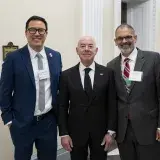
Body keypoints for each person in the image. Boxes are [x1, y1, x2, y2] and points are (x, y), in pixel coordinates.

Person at [0, 15, 62, 160]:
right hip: (22, 123)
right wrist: (9, 120)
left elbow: (58, 88)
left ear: (46, 33)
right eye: (32, 29)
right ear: (26, 32)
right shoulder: (13, 58)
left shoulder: (56, 56)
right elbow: (4, 91)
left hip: (48, 121)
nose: (37, 33)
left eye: (41, 30)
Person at [58, 36, 117, 160]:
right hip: (76, 132)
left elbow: (112, 103)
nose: (86, 49)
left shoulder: (108, 73)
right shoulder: (66, 75)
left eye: (90, 46)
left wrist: (110, 132)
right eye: (83, 46)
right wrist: (64, 133)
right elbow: (62, 106)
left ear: (96, 50)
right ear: (77, 50)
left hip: (101, 132)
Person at [107, 24, 160, 160]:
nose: (124, 41)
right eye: (120, 38)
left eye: (128, 37)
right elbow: (112, 100)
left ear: (135, 38)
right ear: (115, 41)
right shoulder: (111, 66)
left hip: (149, 128)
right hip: (123, 131)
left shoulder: (153, 59)